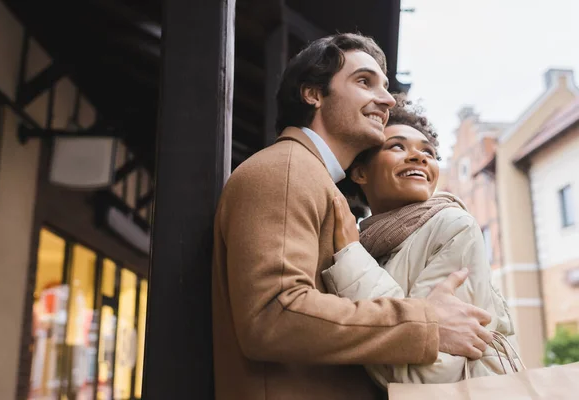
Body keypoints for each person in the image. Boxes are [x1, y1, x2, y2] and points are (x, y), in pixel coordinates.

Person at [211, 33, 493, 400]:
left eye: (386, 87)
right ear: (312, 93)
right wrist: (426, 323)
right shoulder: (285, 171)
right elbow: (274, 315)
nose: (388, 99)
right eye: (364, 82)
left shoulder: (311, 178)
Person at [324, 95, 518, 387]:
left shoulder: (452, 227)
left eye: (428, 151)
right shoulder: (366, 245)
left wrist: (352, 260)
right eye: (397, 146)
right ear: (360, 172)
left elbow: (427, 375)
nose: (419, 157)